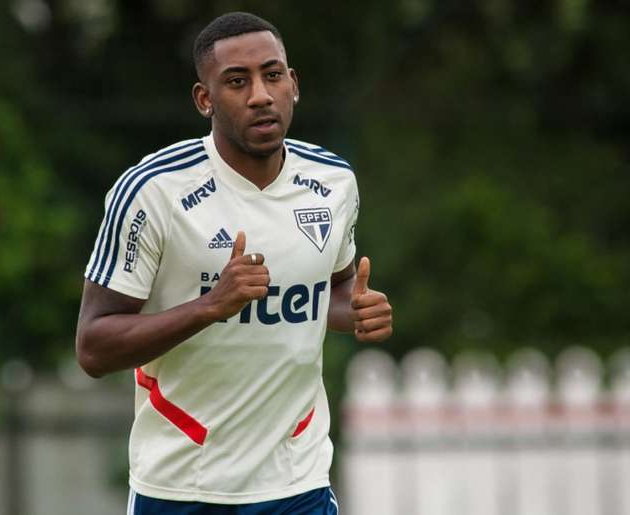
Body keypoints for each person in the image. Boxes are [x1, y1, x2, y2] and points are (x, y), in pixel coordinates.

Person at [75, 11, 392, 515]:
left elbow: (331, 292)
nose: (260, 95)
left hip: (297, 480)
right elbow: (93, 347)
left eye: (272, 75)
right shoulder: (154, 192)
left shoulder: (334, 183)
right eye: (237, 82)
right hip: (181, 484)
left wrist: (355, 309)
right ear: (205, 99)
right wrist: (210, 306)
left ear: (294, 84)